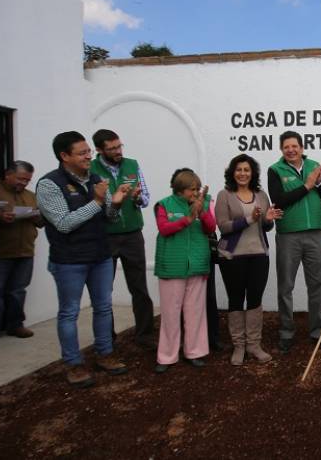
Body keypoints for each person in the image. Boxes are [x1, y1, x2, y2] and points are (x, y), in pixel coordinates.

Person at [36, 131, 129, 388]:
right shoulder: (49, 184)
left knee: (103, 307)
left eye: (89, 151)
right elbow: (64, 223)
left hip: (100, 256)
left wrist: (117, 203)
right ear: (64, 156)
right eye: (82, 153)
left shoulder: (96, 178)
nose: (89, 156)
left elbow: (109, 215)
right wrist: (98, 201)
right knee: (69, 312)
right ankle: (74, 364)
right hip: (69, 261)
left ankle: (105, 354)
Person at [267, 131, 321, 354]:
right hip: (288, 235)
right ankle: (286, 332)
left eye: (295, 146)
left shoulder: (314, 165)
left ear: (302, 148)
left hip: (314, 232)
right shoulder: (275, 170)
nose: (291, 150)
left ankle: (317, 331)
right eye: (286, 147)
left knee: (317, 284)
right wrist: (307, 185)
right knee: (286, 286)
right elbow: (279, 201)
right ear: (281, 149)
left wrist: (319, 181)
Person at [90, 129, 155, 349]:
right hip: (105, 236)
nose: (118, 151)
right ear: (99, 150)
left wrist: (137, 198)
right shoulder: (91, 169)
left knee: (139, 287)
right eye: (112, 148)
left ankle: (145, 334)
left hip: (133, 234)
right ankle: (107, 338)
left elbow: (146, 197)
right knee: (103, 290)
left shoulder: (132, 164)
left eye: (119, 146)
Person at [216, 154, 282, 365]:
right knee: (236, 299)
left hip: (258, 256)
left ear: (252, 173)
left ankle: (254, 344)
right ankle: (239, 346)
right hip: (232, 257)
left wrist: (268, 221)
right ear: (232, 172)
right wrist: (249, 219)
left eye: (247, 170)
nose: (243, 173)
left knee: (254, 299)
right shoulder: (224, 195)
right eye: (239, 169)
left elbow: (264, 225)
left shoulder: (261, 195)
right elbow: (223, 227)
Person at [154, 169, 216, 373]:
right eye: (192, 189)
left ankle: (195, 352)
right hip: (172, 266)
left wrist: (202, 211)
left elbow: (210, 227)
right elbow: (164, 229)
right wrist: (188, 218)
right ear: (180, 190)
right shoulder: (164, 204)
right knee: (171, 313)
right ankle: (167, 356)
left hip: (197, 264)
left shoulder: (204, 202)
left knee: (195, 311)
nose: (196, 192)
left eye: (198, 188)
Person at [0, 161, 44, 347]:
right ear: (8, 174)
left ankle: (15, 325)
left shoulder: (30, 196)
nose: (24, 183)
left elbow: (42, 222)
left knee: (18, 291)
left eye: (27, 180)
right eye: (20, 179)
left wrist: (36, 216)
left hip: (25, 251)